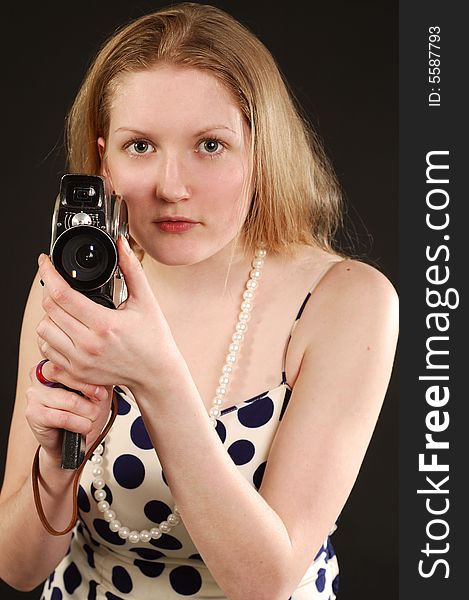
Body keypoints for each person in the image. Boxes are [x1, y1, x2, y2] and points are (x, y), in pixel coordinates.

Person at [0, 3, 398, 599]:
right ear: (103, 157)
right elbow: (17, 566)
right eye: (140, 147)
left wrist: (157, 378)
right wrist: (57, 468)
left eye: (210, 145)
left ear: (259, 153)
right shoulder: (73, 287)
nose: (172, 186)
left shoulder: (345, 301)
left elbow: (265, 582)